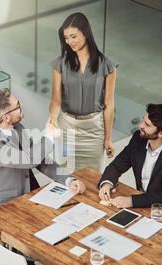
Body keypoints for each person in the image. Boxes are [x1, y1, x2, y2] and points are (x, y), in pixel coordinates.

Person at [0, 88, 86, 212]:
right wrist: (49, 136)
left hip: (29, 195)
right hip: (2, 208)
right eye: (17, 105)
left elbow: (41, 160)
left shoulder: (17, 128)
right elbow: (28, 160)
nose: (22, 105)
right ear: (6, 117)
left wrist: (68, 180)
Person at [48, 12, 118, 172]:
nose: (69, 42)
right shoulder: (59, 64)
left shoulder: (107, 65)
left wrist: (108, 138)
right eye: (66, 38)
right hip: (66, 128)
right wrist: (52, 117)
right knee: (65, 178)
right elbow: (56, 100)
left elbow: (109, 105)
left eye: (73, 36)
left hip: (93, 131)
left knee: (94, 179)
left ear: (85, 33)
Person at [98, 103, 162, 215]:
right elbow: (117, 166)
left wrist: (131, 201)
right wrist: (107, 183)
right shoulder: (138, 139)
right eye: (143, 120)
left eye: (147, 125)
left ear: (161, 133)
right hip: (143, 208)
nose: (140, 126)